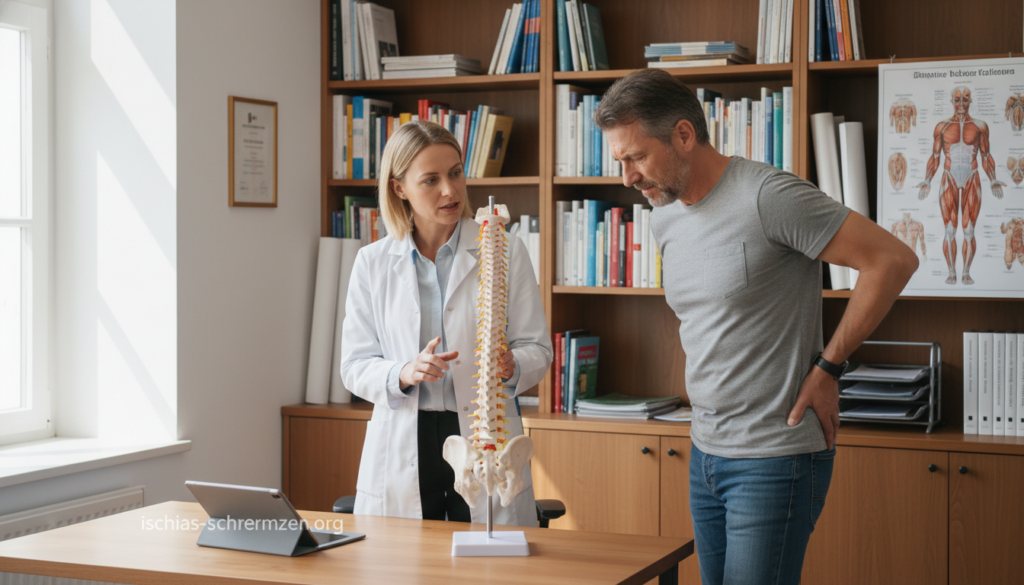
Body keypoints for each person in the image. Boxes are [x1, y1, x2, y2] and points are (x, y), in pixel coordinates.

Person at [594, 69, 918, 585]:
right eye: (620, 162)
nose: (628, 178)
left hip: (774, 455)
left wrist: (829, 367)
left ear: (684, 134)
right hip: (705, 452)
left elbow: (891, 260)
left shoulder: (769, 195)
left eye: (636, 157)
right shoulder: (665, 214)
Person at [340, 121, 551, 526]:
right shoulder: (373, 262)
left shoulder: (506, 250)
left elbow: (538, 348)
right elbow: (354, 365)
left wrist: (514, 365)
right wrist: (403, 371)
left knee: (487, 570)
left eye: (455, 173)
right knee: (408, 567)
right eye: (431, 180)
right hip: (407, 435)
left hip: (483, 437)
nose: (450, 191)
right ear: (399, 188)